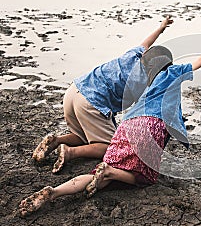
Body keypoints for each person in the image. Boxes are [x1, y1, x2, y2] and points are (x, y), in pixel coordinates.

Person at [19, 25, 201, 217]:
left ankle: (55, 191)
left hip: (127, 126)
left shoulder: (145, 81)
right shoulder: (172, 72)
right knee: (146, 177)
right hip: (151, 126)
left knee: (99, 176)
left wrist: (161, 27)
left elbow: (145, 44)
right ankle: (111, 172)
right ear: (167, 64)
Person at [32, 16, 174, 174]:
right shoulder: (143, 81)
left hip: (74, 90)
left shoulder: (134, 55)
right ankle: (70, 152)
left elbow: (146, 42)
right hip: (90, 103)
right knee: (110, 147)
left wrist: (161, 28)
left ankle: (57, 140)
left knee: (85, 136)